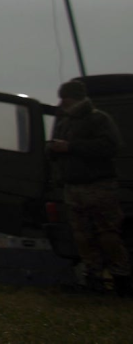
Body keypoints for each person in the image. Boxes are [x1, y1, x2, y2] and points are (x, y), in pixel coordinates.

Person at [46, 79, 131, 296]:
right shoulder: (65, 123)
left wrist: (71, 147)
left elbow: (110, 146)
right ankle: (93, 277)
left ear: (75, 97)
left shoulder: (98, 119)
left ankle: (121, 277)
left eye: (65, 97)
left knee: (108, 234)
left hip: (99, 186)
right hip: (74, 188)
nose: (62, 102)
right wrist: (54, 150)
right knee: (83, 236)